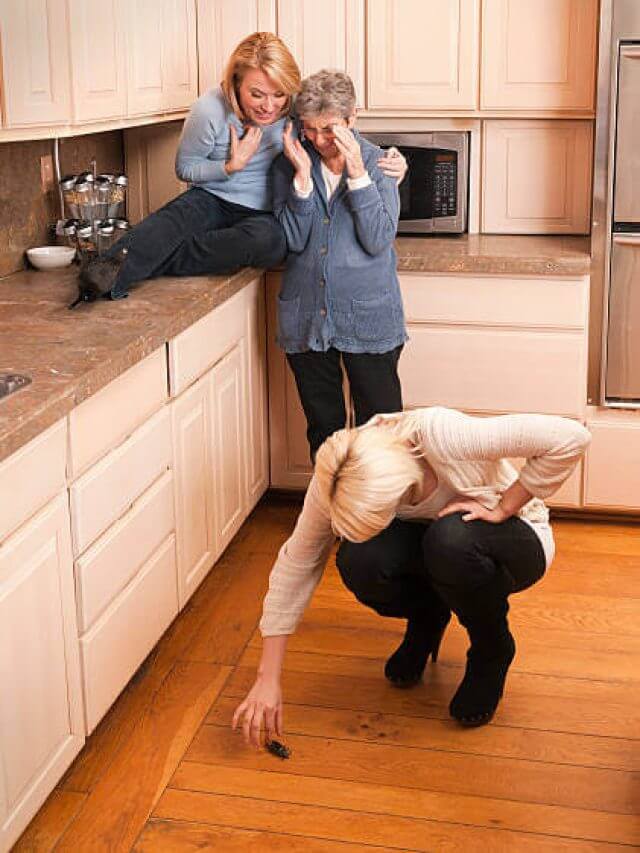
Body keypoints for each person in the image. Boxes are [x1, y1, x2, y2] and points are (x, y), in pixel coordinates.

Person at [232, 406, 591, 744]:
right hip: (435, 553)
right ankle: (427, 617)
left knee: (450, 538)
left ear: (401, 487)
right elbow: (298, 562)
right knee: (360, 559)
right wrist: (267, 678)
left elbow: (570, 436)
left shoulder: (441, 435)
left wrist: (503, 507)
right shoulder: (337, 471)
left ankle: (492, 648)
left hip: (510, 542)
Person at [80, 33, 406, 301]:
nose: (269, 106)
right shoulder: (209, 109)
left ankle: (159, 259)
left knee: (270, 244)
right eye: (257, 94)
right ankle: (101, 277)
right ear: (236, 83)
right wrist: (230, 166)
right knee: (169, 224)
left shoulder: (295, 106)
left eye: (278, 95)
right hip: (213, 196)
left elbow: (334, 123)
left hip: (268, 212)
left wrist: (391, 160)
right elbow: (186, 168)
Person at [272, 70, 406, 458]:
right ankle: (330, 517)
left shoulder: (381, 165)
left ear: (352, 118)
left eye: (329, 129)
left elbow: (378, 238)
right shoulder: (292, 161)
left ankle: (382, 521)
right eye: (309, 129)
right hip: (307, 319)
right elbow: (292, 241)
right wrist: (300, 179)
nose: (318, 140)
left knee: (379, 436)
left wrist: (358, 176)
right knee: (324, 435)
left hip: (369, 318)